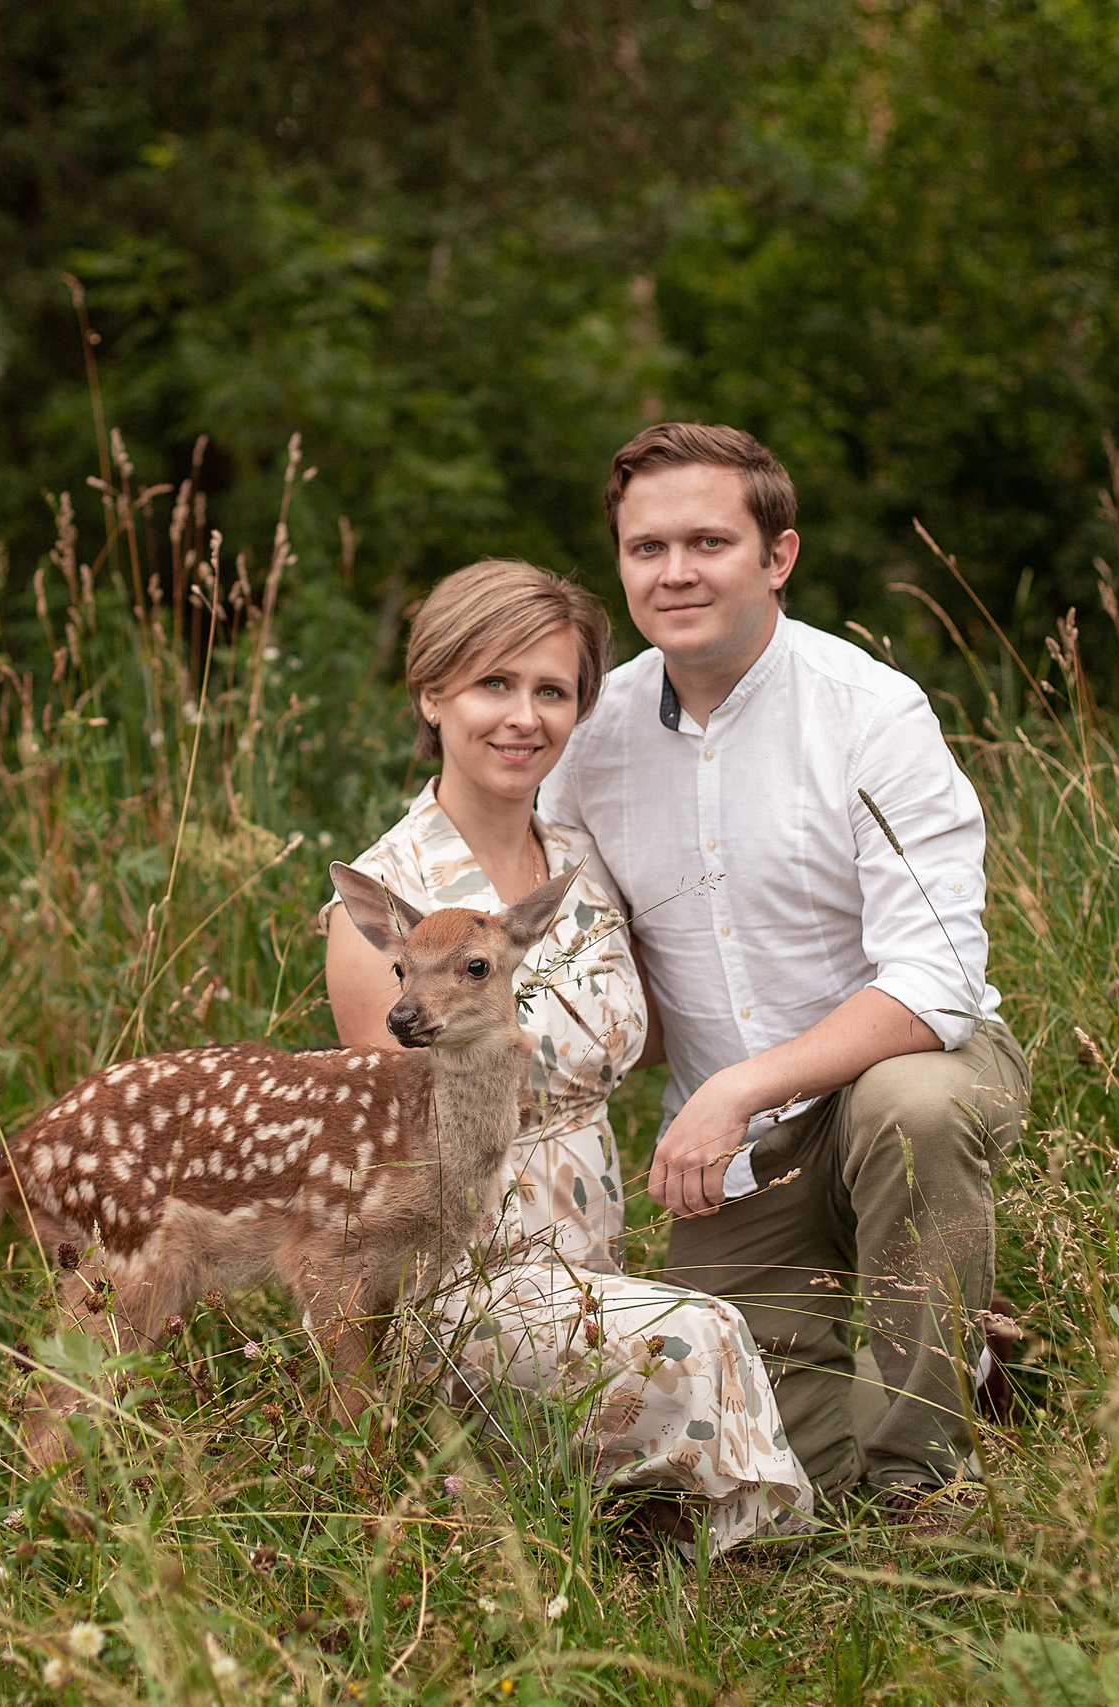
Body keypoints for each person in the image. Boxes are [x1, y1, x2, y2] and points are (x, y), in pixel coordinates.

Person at [539, 423, 1030, 1509]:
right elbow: (570, 946)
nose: (674, 573)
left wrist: (739, 1085)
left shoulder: (872, 716)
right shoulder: (593, 738)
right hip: (743, 1150)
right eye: (644, 548)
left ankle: (921, 1486)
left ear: (779, 557)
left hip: (894, 1079)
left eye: (708, 541)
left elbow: (932, 986)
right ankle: (978, 1357)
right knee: (775, 1466)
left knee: (915, 1111)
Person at [320, 557, 814, 1550]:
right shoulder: (382, 903)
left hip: (593, 1261)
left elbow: (659, 1029)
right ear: (432, 694)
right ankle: (748, 1574)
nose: (523, 718)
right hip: (458, 1284)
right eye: (492, 685)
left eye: (552, 691)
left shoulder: (581, 874)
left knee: (790, 1329)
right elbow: (396, 1142)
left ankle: (640, 1513)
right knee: (707, 1337)